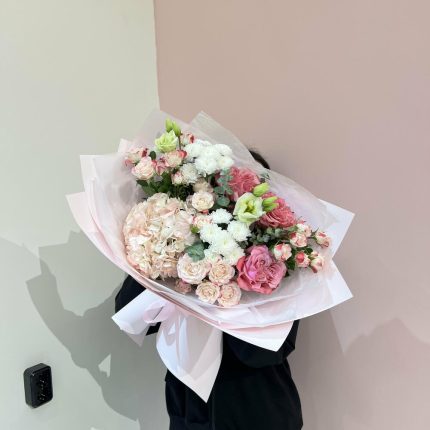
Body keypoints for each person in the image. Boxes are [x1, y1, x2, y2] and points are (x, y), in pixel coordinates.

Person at [115, 151, 303, 430]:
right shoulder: (182, 258)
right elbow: (130, 314)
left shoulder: (277, 267)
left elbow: (262, 354)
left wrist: (230, 277)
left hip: (258, 410)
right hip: (190, 410)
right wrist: (158, 251)